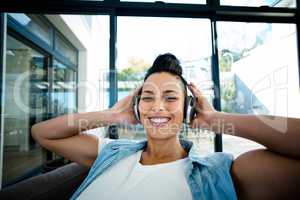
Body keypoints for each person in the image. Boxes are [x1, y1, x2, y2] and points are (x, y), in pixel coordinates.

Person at [31, 53, 300, 200]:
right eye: (148, 97)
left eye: (170, 98)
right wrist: (111, 115)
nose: (157, 106)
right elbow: (41, 133)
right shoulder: (111, 153)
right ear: (137, 107)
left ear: (187, 108)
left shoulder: (220, 173)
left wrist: (216, 120)